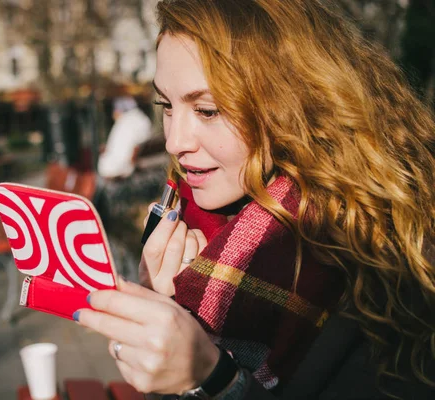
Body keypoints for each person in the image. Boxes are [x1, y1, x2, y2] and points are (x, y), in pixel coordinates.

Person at [71, 0, 435, 399]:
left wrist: (215, 380)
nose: (175, 142)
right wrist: (168, 317)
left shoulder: (383, 255)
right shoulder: (195, 220)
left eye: (207, 110)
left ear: (293, 104)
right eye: (166, 106)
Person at [97, 96, 153, 179]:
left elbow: (135, 150)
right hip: (120, 166)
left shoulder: (125, 120)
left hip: (119, 168)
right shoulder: (141, 119)